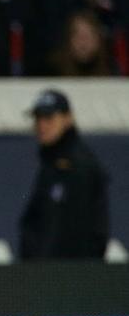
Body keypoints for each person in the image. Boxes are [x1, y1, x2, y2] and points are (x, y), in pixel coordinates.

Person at [19, 89, 109, 260]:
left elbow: (85, 234)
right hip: (48, 277)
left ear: (68, 119)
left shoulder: (80, 167)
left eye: (49, 118)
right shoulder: (50, 162)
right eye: (38, 118)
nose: (41, 125)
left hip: (68, 278)